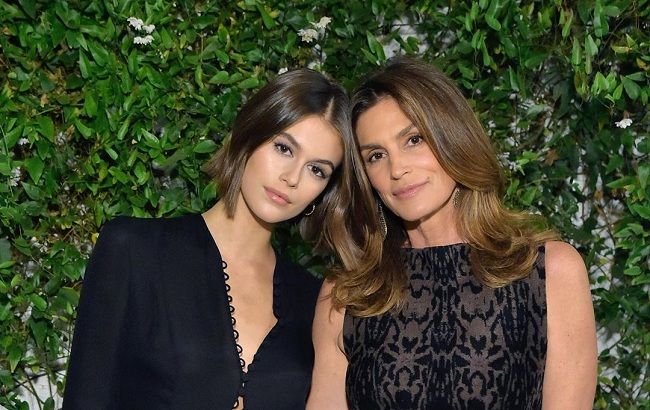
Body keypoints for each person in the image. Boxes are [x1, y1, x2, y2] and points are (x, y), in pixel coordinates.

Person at [63, 68, 369, 409]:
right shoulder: (134, 250)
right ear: (249, 135)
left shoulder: (313, 300)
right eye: (284, 148)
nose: (292, 178)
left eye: (317, 170)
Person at [307, 57, 598, 409]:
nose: (397, 169)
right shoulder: (347, 293)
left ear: (452, 139)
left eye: (413, 139)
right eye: (376, 155)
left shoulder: (549, 271)